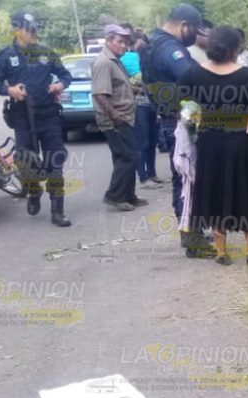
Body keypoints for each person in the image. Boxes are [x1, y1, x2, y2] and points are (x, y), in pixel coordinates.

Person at [178, 25, 248, 265]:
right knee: (247, 190)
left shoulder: (192, 74)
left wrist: (195, 117)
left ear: (210, 47)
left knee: (216, 189)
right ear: (236, 49)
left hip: (209, 142)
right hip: (240, 142)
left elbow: (178, 101)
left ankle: (221, 250)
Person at [0, 11, 72, 227]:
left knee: (55, 161)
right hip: (22, 117)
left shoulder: (46, 52)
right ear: (17, 30)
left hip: (48, 115)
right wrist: (9, 89)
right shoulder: (5, 55)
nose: (34, 32)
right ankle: (34, 193)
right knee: (27, 163)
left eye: (35, 28)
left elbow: (65, 75)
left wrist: (59, 84)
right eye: (28, 28)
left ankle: (57, 209)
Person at [143, 3, 214, 256]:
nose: (194, 36)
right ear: (184, 25)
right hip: (181, 121)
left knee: (182, 177)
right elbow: (192, 77)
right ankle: (192, 240)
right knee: (188, 178)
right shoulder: (170, 48)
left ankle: (190, 233)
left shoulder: (152, 43)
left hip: (169, 117)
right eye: (193, 30)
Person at [92, 24, 146, 212]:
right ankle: (114, 196)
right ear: (108, 41)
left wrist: (140, 91)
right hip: (116, 118)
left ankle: (128, 195)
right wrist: (115, 116)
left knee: (125, 157)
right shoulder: (104, 62)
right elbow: (100, 94)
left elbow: (121, 87)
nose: (124, 46)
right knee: (127, 157)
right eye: (120, 42)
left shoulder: (116, 61)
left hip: (124, 116)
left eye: (126, 42)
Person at [121, 30, 162, 188]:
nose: (141, 44)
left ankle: (152, 173)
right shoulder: (125, 59)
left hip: (153, 103)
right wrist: (138, 88)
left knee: (152, 140)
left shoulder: (150, 58)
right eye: (138, 41)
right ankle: (143, 177)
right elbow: (123, 83)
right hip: (138, 104)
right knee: (142, 141)